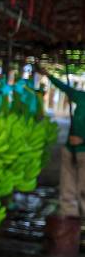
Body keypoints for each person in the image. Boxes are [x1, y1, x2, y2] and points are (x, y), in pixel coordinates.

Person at [42, 69, 85, 218]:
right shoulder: (81, 97)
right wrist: (49, 75)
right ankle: (70, 218)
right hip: (70, 149)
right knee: (67, 186)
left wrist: (83, 140)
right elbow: (64, 87)